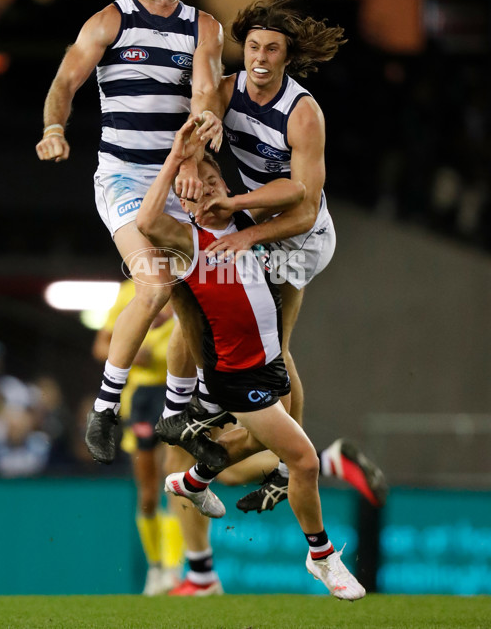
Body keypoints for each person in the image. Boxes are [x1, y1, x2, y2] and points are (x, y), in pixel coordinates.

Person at [157, 0, 387, 513]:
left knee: (271, 353)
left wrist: (241, 229)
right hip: (249, 221)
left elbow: (303, 207)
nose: (261, 59)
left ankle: (275, 464)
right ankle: (196, 420)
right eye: (254, 48)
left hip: (296, 238)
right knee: (189, 304)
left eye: (272, 51)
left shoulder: (303, 114)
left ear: (288, 56)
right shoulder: (226, 88)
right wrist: (191, 159)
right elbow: (198, 123)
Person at [135, 117, 365, 600]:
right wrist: (178, 158)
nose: (206, 190)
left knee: (247, 448)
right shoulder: (187, 241)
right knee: (301, 462)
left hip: (267, 368)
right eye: (194, 189)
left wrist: (238, 201)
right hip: (233, 377)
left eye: (213, 179)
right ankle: (321, 558)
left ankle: (193, 481)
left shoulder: (250, 226)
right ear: (186, 199)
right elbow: (145, 223)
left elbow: (297, 193)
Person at [34, 0, 224, 467]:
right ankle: (105, 407)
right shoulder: (110, 20)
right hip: (122, 179)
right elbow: (66, 81)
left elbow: (205, 92)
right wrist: (53, 128)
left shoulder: (202, 27)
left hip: (179, 183)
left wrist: (196, 145)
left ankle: (179, 411)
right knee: (157, 282)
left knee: (200, 291)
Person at [92, 279, 185, 596]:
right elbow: (101, 345)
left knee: (176, 482)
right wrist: (133, 353)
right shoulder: (129, 290)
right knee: (148, 492)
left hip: (179, 393)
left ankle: (174, 571)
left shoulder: (188, 281)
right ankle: (155, 568)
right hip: (142, 398)